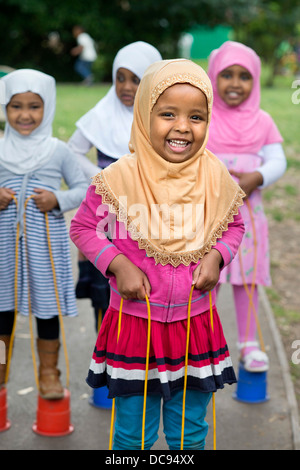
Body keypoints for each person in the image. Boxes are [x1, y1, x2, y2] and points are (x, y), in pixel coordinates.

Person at [70, 59, 245, 450]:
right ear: (144, 113)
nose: (183, 126)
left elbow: (234, 227)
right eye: (168, 114)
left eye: (196, 116)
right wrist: (118, 264)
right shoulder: (118, 179)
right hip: (134, 328)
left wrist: (217, 256)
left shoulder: (214, 176)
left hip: (194, 327)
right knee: (133, 435)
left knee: (191, 431)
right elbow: (83, 228)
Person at [0, 69, 88, 399]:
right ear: (4, 108)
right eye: (15, 106)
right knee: (1, 311)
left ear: (47, 106)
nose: (24, 115)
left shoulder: (58, 151)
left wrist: (57, 200)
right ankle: (0, 367)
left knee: (46, 310)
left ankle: (49, 372)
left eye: (34, 106)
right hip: (4, 248)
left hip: (44, 249)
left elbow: (83, 189)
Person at [68, 41, 162, 332]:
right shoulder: (101, 114)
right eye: (120, 77)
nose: (126, 86)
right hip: (108, 218)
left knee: (146, 285)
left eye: (136, 79)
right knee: (106, 285)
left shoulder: (159, 118)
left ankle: (141, 357)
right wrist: (102, 176)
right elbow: (72, 150)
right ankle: (106, 355)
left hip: (147, 216)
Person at [207, 41, 287, 373]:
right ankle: (203, 339)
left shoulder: (263, 120)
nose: (235, 83)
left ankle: (249, 343)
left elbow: (278, 160)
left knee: (247, 278)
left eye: (244, 76)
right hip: (209, 215)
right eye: (227, 75)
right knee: (208, 275)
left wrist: (257, 176)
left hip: (249, 217)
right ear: (213, 76)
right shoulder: (205, 117)